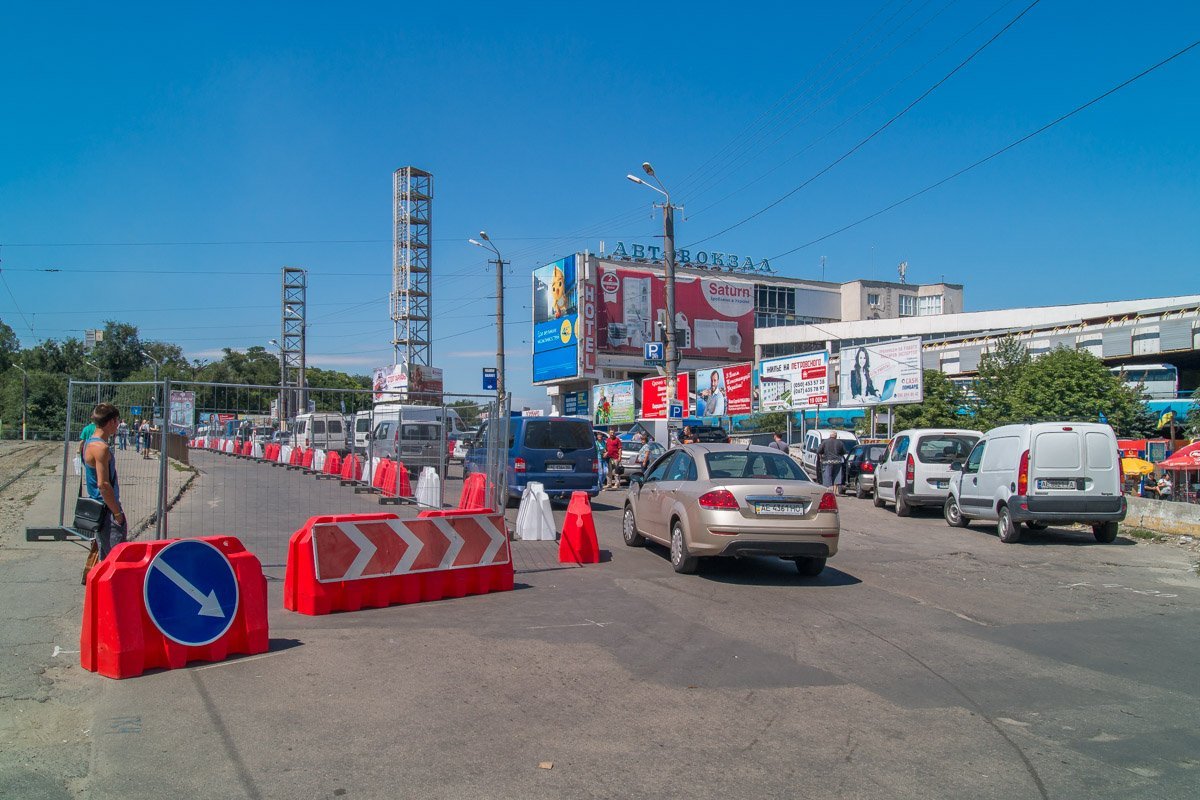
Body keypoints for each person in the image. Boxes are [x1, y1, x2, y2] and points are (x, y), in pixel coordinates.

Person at [82, 403, 127, 560]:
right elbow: (103, 484)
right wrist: (117, 513)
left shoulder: (88, 442)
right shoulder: (101, 448)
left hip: (98, 508)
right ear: (111, 422)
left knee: (104, 556)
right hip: (107, 510)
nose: (118, 424)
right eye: (117, 421)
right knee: (116, 558)